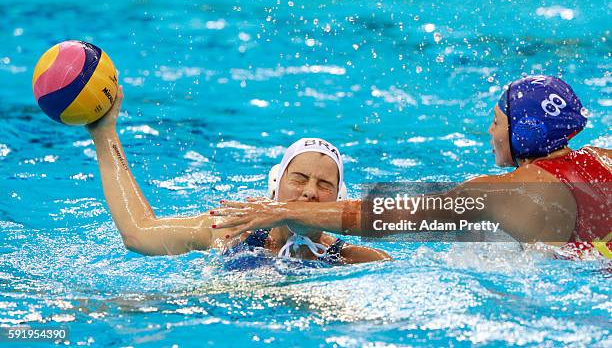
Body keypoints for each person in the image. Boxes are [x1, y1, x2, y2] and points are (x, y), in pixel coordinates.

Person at [212, 76, 611, 258]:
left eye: (498, 121)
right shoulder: (602, 158)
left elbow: (379, 215)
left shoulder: (508, 193)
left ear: (524, 132)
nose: (490, 131)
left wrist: (283, 210)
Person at [86, 87, 389, 264]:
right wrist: (104, 133)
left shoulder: (349, 259)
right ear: (276, 186)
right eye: (299, 179)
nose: (310, 192)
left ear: (338, 200)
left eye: (324, 185)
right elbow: (139, 233)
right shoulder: (233, 230)